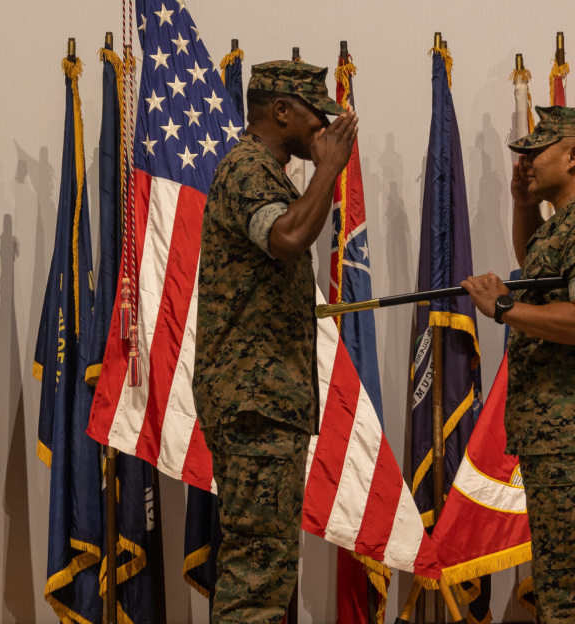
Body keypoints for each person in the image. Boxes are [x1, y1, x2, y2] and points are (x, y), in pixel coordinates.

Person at [461, 106, 575, 624]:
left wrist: (503, 308)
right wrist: (522, 205)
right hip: (559, 442)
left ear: (572, 155)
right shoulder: (567, 226)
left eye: (535, 150)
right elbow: (541, 269)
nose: (523, 161)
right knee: (564, 590)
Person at [193, 60, 357, 624]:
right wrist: (328, 170)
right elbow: (285, 237)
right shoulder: (248, 168)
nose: (326, 132)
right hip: (254, 401)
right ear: (281, 111)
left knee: (267, 567)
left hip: (264, 401)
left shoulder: (266, 170)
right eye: (318, 118)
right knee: (257, 577)